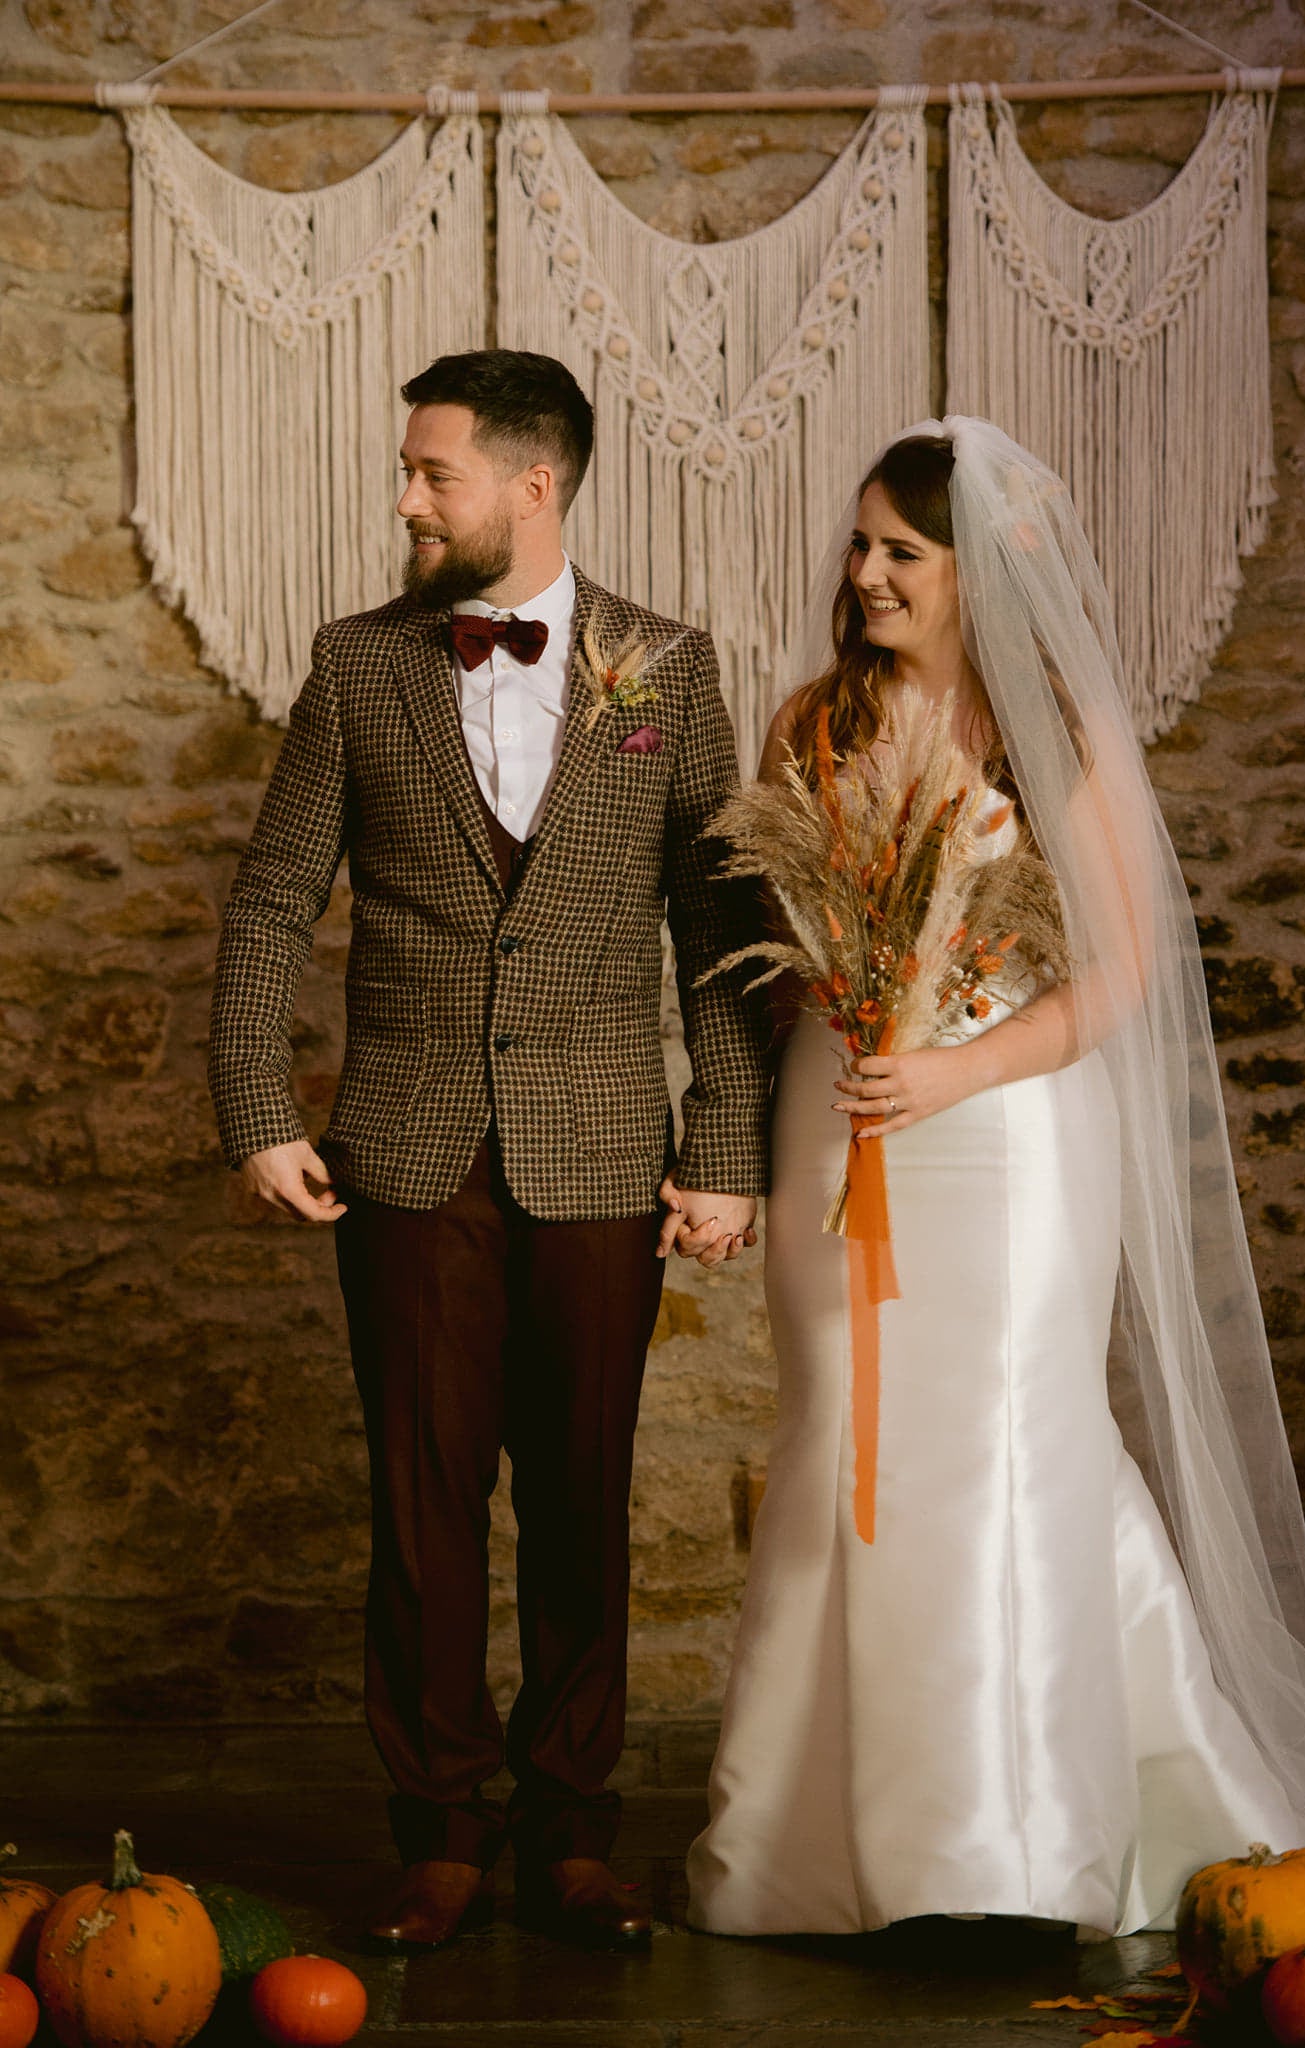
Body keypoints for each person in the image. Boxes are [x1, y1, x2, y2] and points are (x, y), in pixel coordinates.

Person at [686, 418, 1305, 1939]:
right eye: (859, 544)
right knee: (837, 1449)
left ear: (979, 571)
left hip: (1005, 1131)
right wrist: (851, 1029)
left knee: (998, 1442)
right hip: (836, 1118)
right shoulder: (814, 725)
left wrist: (950, 1069)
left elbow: (1118, 974)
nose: (862, 574)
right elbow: (776, 954)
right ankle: (814, 1851)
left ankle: (1007, 1844)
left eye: (899, 553)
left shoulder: (1054, 731)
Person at [209, 349, 768, 1952]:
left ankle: (576, 1832)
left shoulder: (667, 668)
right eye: (408, 467)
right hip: (403, 1147)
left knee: (583, 1500)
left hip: (603, 1154)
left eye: (430, 471)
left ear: (534, 484)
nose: (404, 497)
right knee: (423, 1502)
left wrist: (726, 1140)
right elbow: (268, 902)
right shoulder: (358, 665)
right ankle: (438, 1830)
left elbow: (721, 927)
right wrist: (258, 1107)